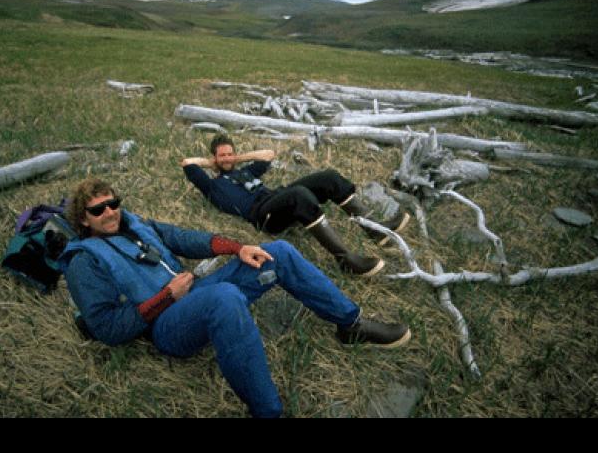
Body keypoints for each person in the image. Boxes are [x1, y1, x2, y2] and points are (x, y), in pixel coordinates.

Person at [57, 178, 411, 419]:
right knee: (225, 297)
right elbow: (106, 328)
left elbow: (185, 238)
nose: (110, 212)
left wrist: (238, 247)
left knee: (279, 252)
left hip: (193, 294)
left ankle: (350, 324)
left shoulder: (134, 225)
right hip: (164, 326)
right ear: (82, 220)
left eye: (113, 203)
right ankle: (267, 411)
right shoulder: (83, 262)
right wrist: (166, 297)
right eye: (98, 210)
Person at [180, 133, 410, 276]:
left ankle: (375, 229)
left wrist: (235, 159)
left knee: (328, 177)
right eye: (222, 155)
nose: (228, 158)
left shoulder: (246, 170)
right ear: (213, 158)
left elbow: (269, 154)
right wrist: (214, 164)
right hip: (262, 215)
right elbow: (188, 163)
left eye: (230, 153)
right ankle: (346, 259)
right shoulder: (211, 185)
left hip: (276, 197)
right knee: (298, 194)